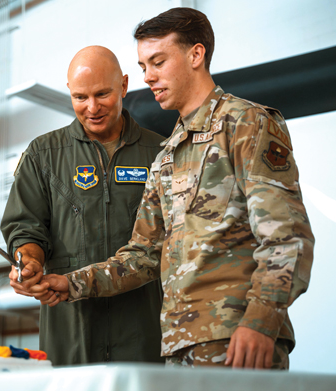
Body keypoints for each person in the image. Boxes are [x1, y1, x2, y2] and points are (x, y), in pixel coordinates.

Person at [33, 8, 314, 369]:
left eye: (158, 62)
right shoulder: (167, 153)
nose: (148, 77)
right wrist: (69, 284)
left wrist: (261, 320)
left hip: (237, 339)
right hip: (177, 347)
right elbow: (143, 254)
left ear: (196, 55)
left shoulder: (245, 125)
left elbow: (287, 237)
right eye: (143, 66)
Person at [0, 46, 165, 366]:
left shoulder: (160, 151)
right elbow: (25, 227)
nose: (92, 107)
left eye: (102, 94)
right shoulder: (43, 154)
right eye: (80, 97)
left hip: (144, 330)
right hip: (68, 328)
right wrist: (28, 261)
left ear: (124, 86)